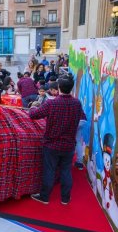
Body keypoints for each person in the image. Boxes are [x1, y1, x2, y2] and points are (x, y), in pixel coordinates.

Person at [30, 74, 86, 205]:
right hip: (68, 145)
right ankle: (65, 198)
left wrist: (34, 105)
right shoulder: (77, 103)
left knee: (49, 170)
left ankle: (45, 197)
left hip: (52, 144)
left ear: (59, 87)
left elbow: (33, 115)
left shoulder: (52, 103)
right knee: (66, 171)